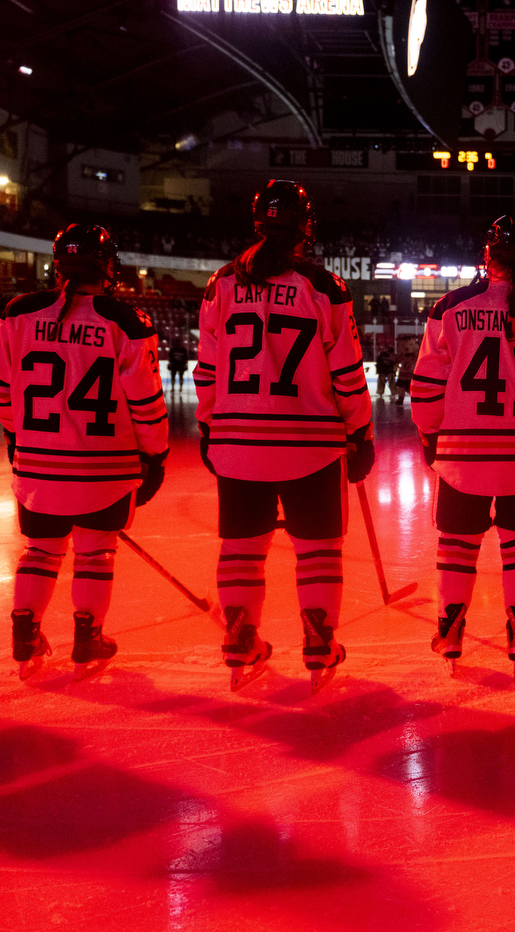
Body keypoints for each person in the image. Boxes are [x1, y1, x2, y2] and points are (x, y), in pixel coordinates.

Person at [194, 180, 375, 694]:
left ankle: (238, 636)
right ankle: (319, 642)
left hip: (237, 440)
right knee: (318, 551)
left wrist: (210, 426)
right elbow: (347, 374)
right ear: (305, 228)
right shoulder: (325, 287)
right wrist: (360, 430)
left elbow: (208, 371)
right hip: (310, 444)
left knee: (241, 550)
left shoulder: (220, 284)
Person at [0, 224, 169, 680]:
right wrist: (155, 456)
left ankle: (25, 631)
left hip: (37, 466)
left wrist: (23, 439)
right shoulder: (126, 321)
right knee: (95, 554)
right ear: (107, 267)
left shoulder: (18, 314)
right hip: (104, 469)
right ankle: (89, 636)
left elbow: (1, 398)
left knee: (39, 551)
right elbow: (146, 406)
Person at [410, 216, 515, 678]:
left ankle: (449, 627)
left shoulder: (449, 307)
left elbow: (425, 387)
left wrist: (429, 435)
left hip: (463, 454)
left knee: (458, 543)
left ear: (488, 255)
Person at [391, 334, 419, 405]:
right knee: (401, 387)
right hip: (403, 375)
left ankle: (415, 398)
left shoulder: (416, 355)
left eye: (410, 344)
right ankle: (401, 398)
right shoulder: (402, 355)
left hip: (412, 374)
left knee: (412, 388)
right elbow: (397, 360)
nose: (407, 347)